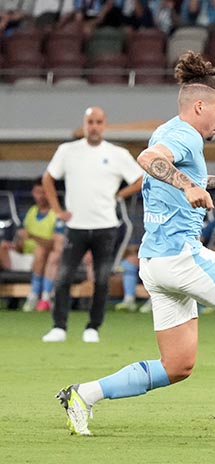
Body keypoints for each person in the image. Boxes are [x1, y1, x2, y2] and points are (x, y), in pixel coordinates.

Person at [55, 52, 215, 436]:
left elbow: (168, 169)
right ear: (199, 106)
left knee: (177, 366)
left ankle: (82, 395)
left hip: (154, 263)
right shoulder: (184, 134)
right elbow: (148, 159)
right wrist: (190, 185)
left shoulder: (168, 130)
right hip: (181, 256)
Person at [40, 106, 144, 343]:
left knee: (101, 279)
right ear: (84, 125)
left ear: (104, 125)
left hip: (106, 226)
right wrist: (57, 210)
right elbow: (48, 178)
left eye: (98, 122)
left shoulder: (117, 153)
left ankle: (93, 327)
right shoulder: (67, 151)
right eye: (90, 122)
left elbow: (140, 179)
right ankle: (59, 326)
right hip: (75, 226)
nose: (94, 126)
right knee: (63, 277)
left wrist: (119, 195)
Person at [0, 178, 58, 312]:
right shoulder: (30, 212)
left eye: (43, 192)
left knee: (40, 251)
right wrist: (13, 246)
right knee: (1, 246)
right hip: (24, 258)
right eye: (37, 192)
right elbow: (21, 246)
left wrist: (32, 236)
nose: (40, 196)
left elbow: (55, 246)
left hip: (43, 260)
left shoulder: (55, 214)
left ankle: (34, 294)